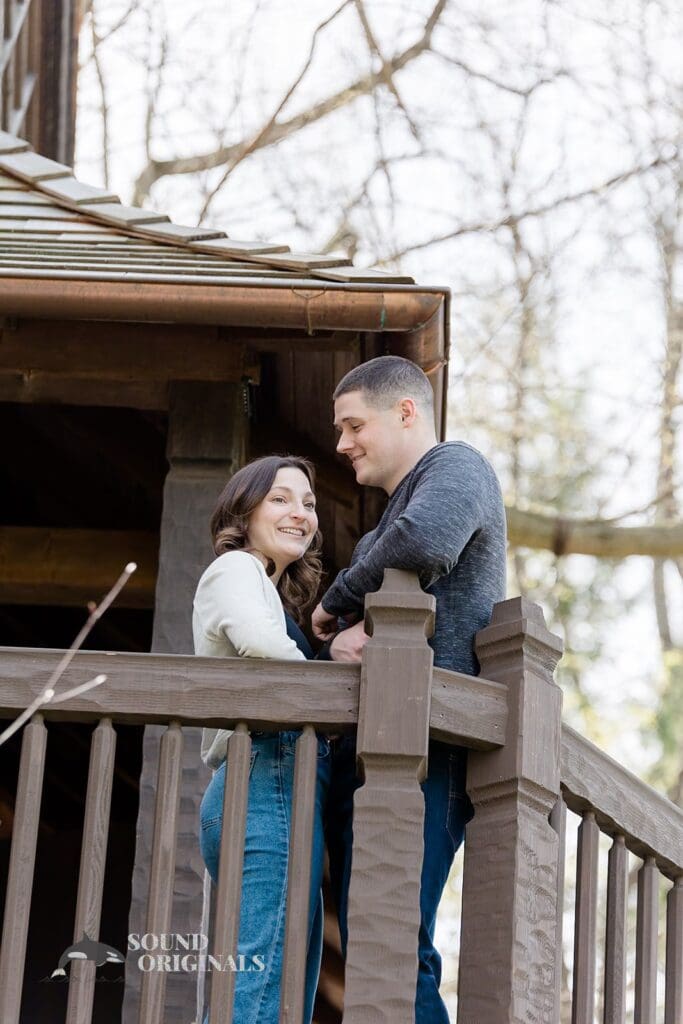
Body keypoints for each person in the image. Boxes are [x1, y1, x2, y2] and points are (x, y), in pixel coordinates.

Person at [312, 355, 507, 1024]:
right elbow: (352, 615)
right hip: (369, 747)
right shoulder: (382, 527)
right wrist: (336, 635)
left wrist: (338, 595)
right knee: (375, 940)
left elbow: (424, 542)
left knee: (393, 942)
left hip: (425, 744)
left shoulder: (457, 468)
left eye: (352, 424)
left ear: (405, 412)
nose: (341, 444)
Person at [196, 455, 330, 1024]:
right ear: (244, 511)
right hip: (265, 777)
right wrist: (333, 678)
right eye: (280, 498)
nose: (299, 513)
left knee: (271, 980)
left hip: (270, 785)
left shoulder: (268, 590)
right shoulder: (235, 570)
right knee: (258, 982)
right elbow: (263, 649)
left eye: (308, 503)